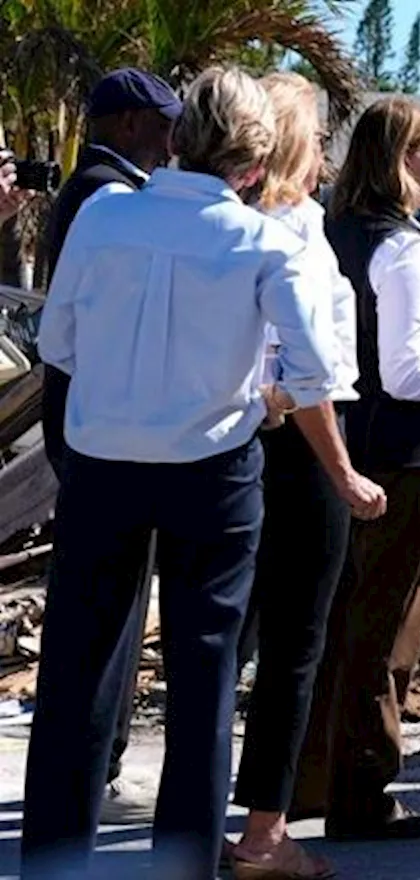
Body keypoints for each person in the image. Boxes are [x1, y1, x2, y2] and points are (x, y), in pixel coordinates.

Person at [23, 66, 341, 879]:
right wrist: (264, 401)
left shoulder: (100, 215)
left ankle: (53, 867)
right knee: (205, 683)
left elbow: (57, 343)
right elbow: (313, 372)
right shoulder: (267, 240)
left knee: (75, 676)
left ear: (178, 137)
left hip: (103, 460)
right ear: (255, 167)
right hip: (213, 468)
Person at [291, 96, 420, 841]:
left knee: (340, 624)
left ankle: (312, 783)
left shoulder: (332, 232)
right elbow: (408, 373)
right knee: (386, 633)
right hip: (405, 464)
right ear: (396, 161)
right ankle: (363, 794)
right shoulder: (403, 245)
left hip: (346, 452)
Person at [225, 71, 385, 880]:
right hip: (300, 444)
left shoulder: (248, 228)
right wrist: (346, 471)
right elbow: (303, 375)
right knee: (294, 647)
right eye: (319, 135)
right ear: (295, 141)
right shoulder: (292, 234)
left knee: (233, 642)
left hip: (245, 445)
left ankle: (227, 822)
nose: (326, 151)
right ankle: (264, 833)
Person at [37, 67, 181, 826]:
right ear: (126, 124)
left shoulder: (97, 188)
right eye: (163, 122)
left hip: (91, 426)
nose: (173, 137)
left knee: (105, 609)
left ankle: (92, 769)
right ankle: (99, 769)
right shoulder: (107, 194)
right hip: (106, 431)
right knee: (109, 616)